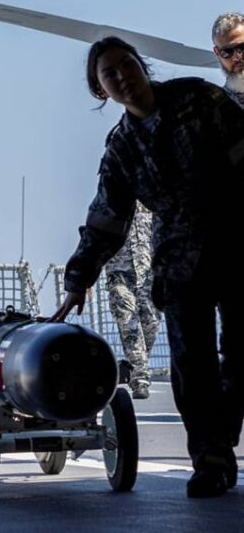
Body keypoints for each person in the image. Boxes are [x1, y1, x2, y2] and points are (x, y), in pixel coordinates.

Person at [52, 36, 244, 498]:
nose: (123, 76)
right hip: (179, 259)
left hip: (237, 239)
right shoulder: (122, 147)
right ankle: (211, 459)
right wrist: (79, 280)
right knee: (190, 364)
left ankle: (224, 429)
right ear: (101, 90)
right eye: (110, 74)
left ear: (143, 66)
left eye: (126, 65)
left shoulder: (200, 98)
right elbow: (105, 219)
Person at [105, 202, 161, 400]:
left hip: (148, 273)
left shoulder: (153, 200)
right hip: (120, 273)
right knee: (129, 322)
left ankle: (133, 363)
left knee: (151, 323)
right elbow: (98, 234)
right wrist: (86, 276)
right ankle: (140, 379)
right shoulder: (113, 201)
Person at [211, 12, 244, 106]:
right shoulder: (216, 109)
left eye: (242, 47)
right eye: (227, 52)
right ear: (217, 53)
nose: (237, 57)